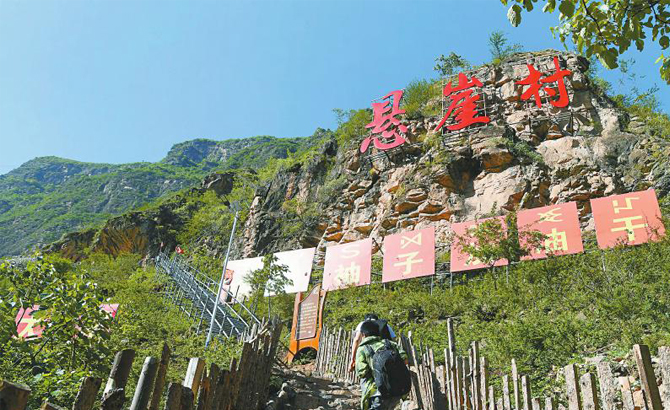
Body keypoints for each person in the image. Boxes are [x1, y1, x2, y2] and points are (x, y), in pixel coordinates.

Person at [355, 320, 409, 410]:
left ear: (363, 334)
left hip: (377, 392)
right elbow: (405, 360)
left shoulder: (363, 348)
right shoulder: (391, 344)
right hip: (396, 390)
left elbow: (361, 372)